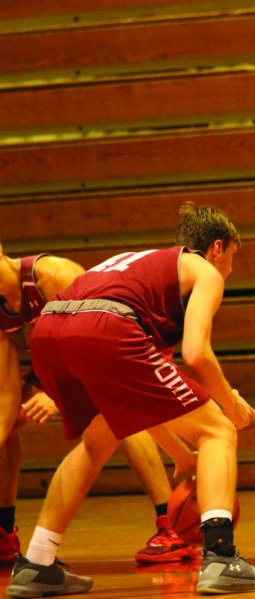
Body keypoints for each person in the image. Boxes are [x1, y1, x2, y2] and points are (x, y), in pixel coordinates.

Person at [6, 204, 255, 596]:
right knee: (218, 430)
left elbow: (143, 403)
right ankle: (221, 556)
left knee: (97, 440)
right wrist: (230, 404)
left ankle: (36, 561)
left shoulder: (146, 270)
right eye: (233, 259)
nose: (230, 270)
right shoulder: (203, 270)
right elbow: (197, 354)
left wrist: (180, 454)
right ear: (217, 248)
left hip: (52, 330)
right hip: (105, 326)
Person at [0, 242, 199, 565]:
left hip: (112, 342)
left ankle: (168, 524)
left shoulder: (51, 274)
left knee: (116, 415)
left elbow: (88, 334)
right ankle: (5, 531)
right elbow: (6, 393)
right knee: (5, 427)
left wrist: (55, 394)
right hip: (58, 360)